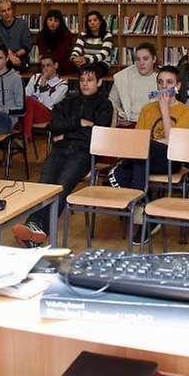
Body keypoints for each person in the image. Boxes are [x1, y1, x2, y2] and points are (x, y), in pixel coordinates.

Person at [12, 63, 113, 247]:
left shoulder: (104, 104)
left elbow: (98, 133)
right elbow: (53, 125)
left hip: (84, 152)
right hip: (61, 148)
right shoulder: (69, 101)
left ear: (99, 82)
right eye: (82, 80)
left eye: (90, 80)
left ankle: (35, 228)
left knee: (62, 185)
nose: (85, 84)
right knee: (45, 184)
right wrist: (80, 123)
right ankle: (35, 232)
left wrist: (67, 131)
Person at [110, 65, 189, 245]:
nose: (164, 86)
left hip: (171, 160)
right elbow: (138, 141)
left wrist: (164, 110)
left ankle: (139, 200)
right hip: (146, 156)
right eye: (160, 82)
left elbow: (173, 143)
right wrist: (158, 141)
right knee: (137, 159)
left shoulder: (187, 112)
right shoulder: (147, 109)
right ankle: (150, 212)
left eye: (169, 82)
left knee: (125, 167)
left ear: (178, 86)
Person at [109, 42, 159, 127]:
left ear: (154, 59)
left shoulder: (162, 78)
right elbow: (112, 101)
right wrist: (117, 117)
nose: (141, 63)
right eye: (138, 59)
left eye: (145, 59)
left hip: (152, 124)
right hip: (128, 123)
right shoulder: (123, 76)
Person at [22, 55, 68, 140]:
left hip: (47, 115)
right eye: (43, 66)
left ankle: (24, 136)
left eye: (48, 65)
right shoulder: (35, 77)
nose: (45, 69)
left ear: (56, 66)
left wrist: (43, 87)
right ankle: (24, 133)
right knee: (24, 102)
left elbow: (47, 104)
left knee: (29, 101)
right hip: (30, 112)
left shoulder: (62, 85)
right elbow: (25, 96)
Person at [0, 0, 32, 70]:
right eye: (3, 11)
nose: (7, 13)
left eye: (8, 9)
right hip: (2, 58)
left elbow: (27, 46)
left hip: (19, 57)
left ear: (12, 10)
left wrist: (14, 56)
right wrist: (9, 56)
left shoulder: (22, 24)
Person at [36, 9, 76, 75]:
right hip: (46, 63)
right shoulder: (41, 34)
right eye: (50, 20)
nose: (52, 23)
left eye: (56, 21)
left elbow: (61, 54)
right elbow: (42, 53)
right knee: (43, 67)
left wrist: (49, 56)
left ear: (60, 23)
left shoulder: (66, 34)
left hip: (61, 64)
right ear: (46, 21)